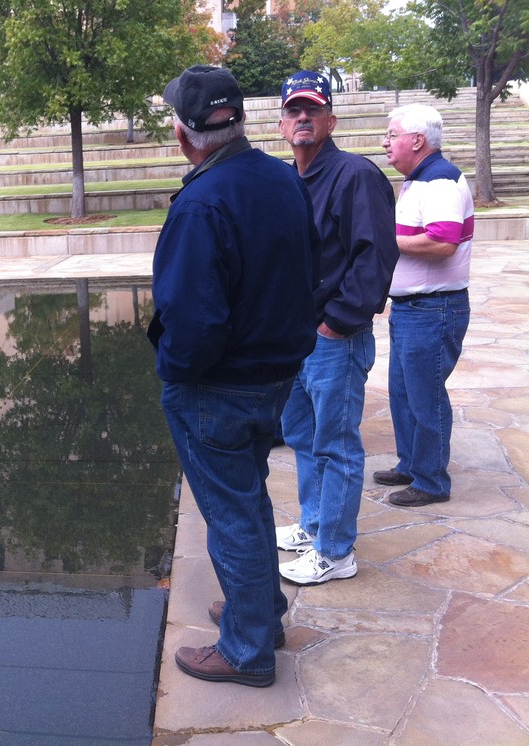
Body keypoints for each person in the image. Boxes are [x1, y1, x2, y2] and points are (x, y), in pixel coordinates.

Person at [149, 65, 317, 687]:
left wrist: (174, 373)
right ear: (240, 120)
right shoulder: (281, 177)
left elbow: (194, 320)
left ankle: (247, 651)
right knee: (247, 499)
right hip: (275, 374)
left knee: (232, 516)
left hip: (218, 386)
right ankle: (260, 614)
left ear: (184, 134)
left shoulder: (201, 203)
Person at [273, 71, 399, 586]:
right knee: (303, 438)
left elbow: (376, 256)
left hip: (333, 339)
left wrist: (337, 324)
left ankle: (336, 550)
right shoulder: (288, 180)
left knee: (336, 445)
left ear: (331, 120)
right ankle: (314, 524)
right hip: (295, 338)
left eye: (313, 109)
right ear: (281, 125)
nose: (303, 117)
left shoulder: (355, 175)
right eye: (294, 110)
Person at [374, 104, 473, 507]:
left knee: (425, 397)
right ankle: (412, 464)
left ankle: (431, 481)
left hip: (433, 309)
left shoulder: (440, 180)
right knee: (403, 392)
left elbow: (443, 242)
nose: (385, 142)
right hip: (415, 309)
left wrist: (385, 240)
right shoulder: (419, 179)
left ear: (417, 140)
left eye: (392, 134)